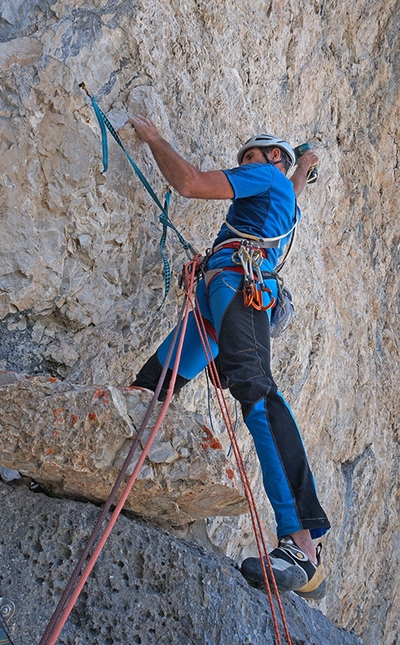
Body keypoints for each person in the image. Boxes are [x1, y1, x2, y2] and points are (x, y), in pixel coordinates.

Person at [127, 115, 331, 599]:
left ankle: (302, 540)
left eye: (251, 159)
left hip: (235, 285)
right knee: (154, 384)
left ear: (272, 163)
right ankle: (109, 458)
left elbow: (190, 182)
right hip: (222, 288)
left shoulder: (266, 179)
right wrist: (307, 162)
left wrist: (155, 137)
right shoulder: (284, 197)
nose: (243, 168)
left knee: (254, 389)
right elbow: (296, 188)